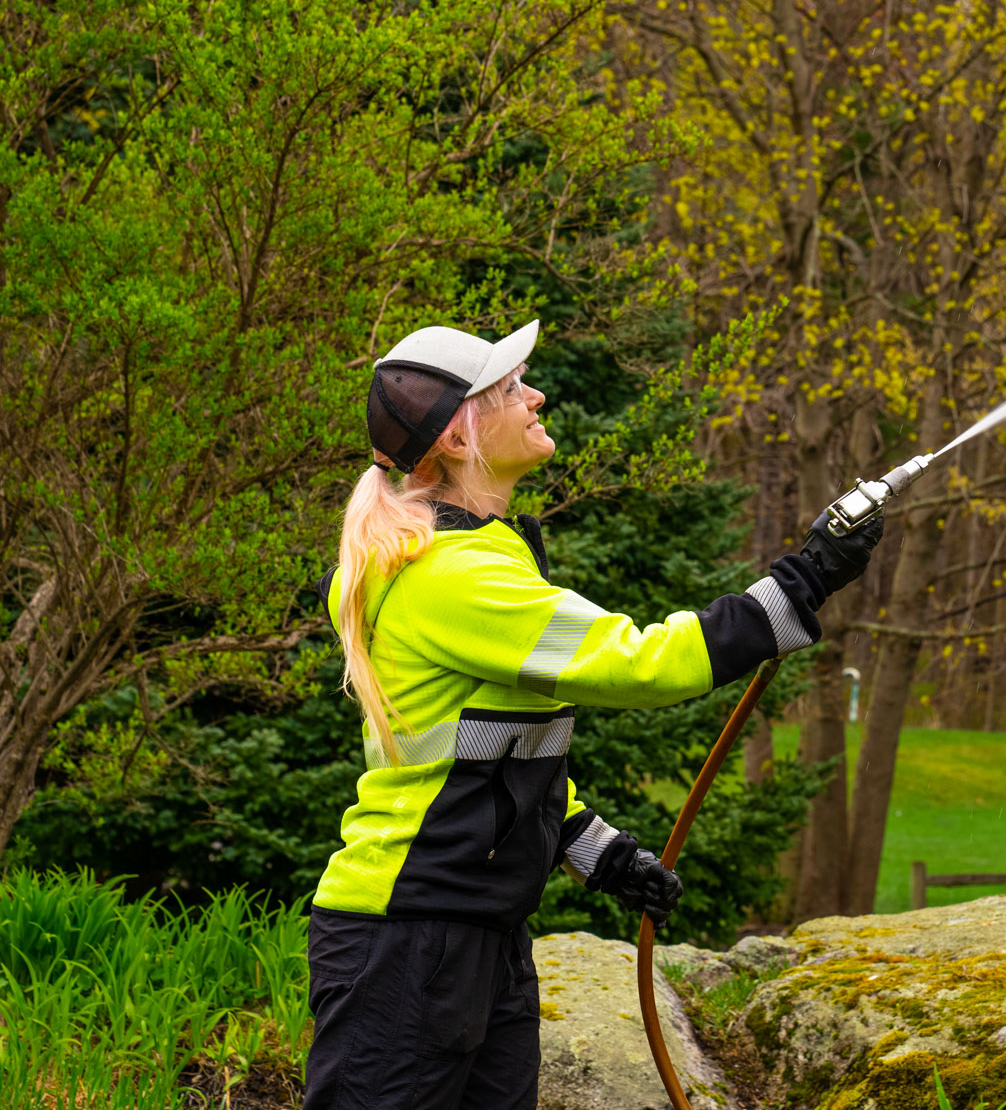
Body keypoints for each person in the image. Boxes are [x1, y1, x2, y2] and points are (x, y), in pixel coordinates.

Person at [304, 319, 883, 1110]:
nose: (536, 394)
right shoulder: (451, 574)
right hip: (410, 939)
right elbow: (643, 664)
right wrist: (803, 582)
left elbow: (477, 753)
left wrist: (593, 849)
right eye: (510, 388)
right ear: (456, 436)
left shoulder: (470, 552)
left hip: (471, 929)